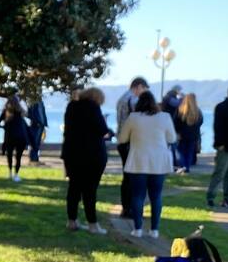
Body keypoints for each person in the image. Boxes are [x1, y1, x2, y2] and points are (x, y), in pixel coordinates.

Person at [117, 90, 177, 238]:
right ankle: (154, 230)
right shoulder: (165, 117)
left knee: (137, 196)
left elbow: (122, 139)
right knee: (156, 196)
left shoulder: (133, 118)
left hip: (138, 161)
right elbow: (172, 138)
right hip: (158, 162)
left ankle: (137, 229)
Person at [60, 88, 114, 233]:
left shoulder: (71, 106)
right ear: (97, 98)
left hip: (71, 153)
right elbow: (102, 130)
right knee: (90, 190)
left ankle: (72, 221)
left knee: (74, 188)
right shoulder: (93, 108)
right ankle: (93, 224)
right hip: (92, 155)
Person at [115, 77, 150, 218]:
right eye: (144, 90)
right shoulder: (133, 100)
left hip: (122, 141)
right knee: (134, 177)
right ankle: (131, 209)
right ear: (138, 86)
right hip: (132, 142)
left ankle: (125, 207)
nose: (144, 93)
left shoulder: (122, 98)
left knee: (127, 177)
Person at [0, 95, 30, 181]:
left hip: (9, 137)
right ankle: (16, 174)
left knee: (9, 155)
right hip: (20, 137)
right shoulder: (20, 112)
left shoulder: (6, 112)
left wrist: (5, 127)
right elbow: (27, 116)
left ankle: (10, 173)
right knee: (18, 157)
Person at [175, 93, 203, 174]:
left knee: (180, 151)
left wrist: (178, 131)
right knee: (189, 152)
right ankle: (187, 167)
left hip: (182, 135)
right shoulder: (198, 111)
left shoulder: (180, 110)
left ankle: (183, 166)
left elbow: (176, 122)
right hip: (193, 135)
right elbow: (201, 122)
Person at [26, 95, 49, 164]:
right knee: (34, 142)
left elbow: (43, 113)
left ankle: (35, 159)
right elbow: (29, 113)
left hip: (41, 125)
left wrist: (44, 123)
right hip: (35, 125)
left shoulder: (41, 102)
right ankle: (33, 159)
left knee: (37, 143)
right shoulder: (32, 102)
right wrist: (36, 121)